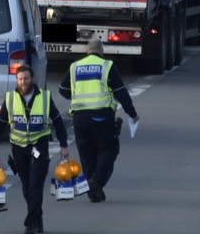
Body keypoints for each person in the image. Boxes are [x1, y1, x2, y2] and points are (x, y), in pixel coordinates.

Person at [0, 64, 69, 234]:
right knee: (26, 186)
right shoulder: (10, 98)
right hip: (19, 148)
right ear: (16, 80)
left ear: (32, 79)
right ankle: (38, 217)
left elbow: (58, 122)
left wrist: (64, 145)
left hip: (39, 147)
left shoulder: (45, 98)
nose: (23, 82)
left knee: (35, 186)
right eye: (20, 79)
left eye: (26, 78)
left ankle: (30, 224)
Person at [58, 38, 139, 203]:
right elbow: (121, 92)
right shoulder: (107, 66)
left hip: (80, 118)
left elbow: (63, 90)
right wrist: (132, 113)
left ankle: (92, 191)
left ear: (87, 51)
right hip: (102, 116)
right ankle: (97, 182)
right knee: (108, 150)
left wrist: (76, 94)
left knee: (86, 153)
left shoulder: (75, 66)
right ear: (102, 51)